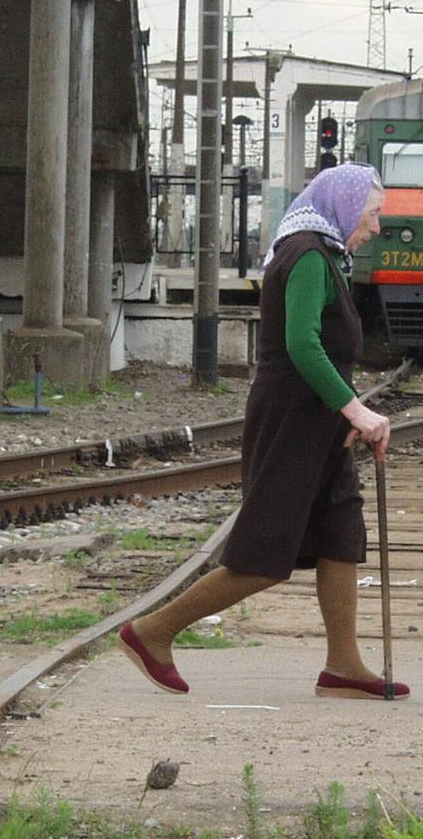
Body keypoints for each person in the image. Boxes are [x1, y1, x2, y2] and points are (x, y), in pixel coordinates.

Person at [118, 162, 408, 701]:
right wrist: (358, 411)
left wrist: (344, 414)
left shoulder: (326, 255)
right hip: (292, 420)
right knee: (267, 552)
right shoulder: (306, 255)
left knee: (341, 531)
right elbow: (301, 345)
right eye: (372, 215)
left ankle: (343, 666)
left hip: (320, 422)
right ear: (343, 206)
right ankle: (151, 633)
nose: (375, 228)